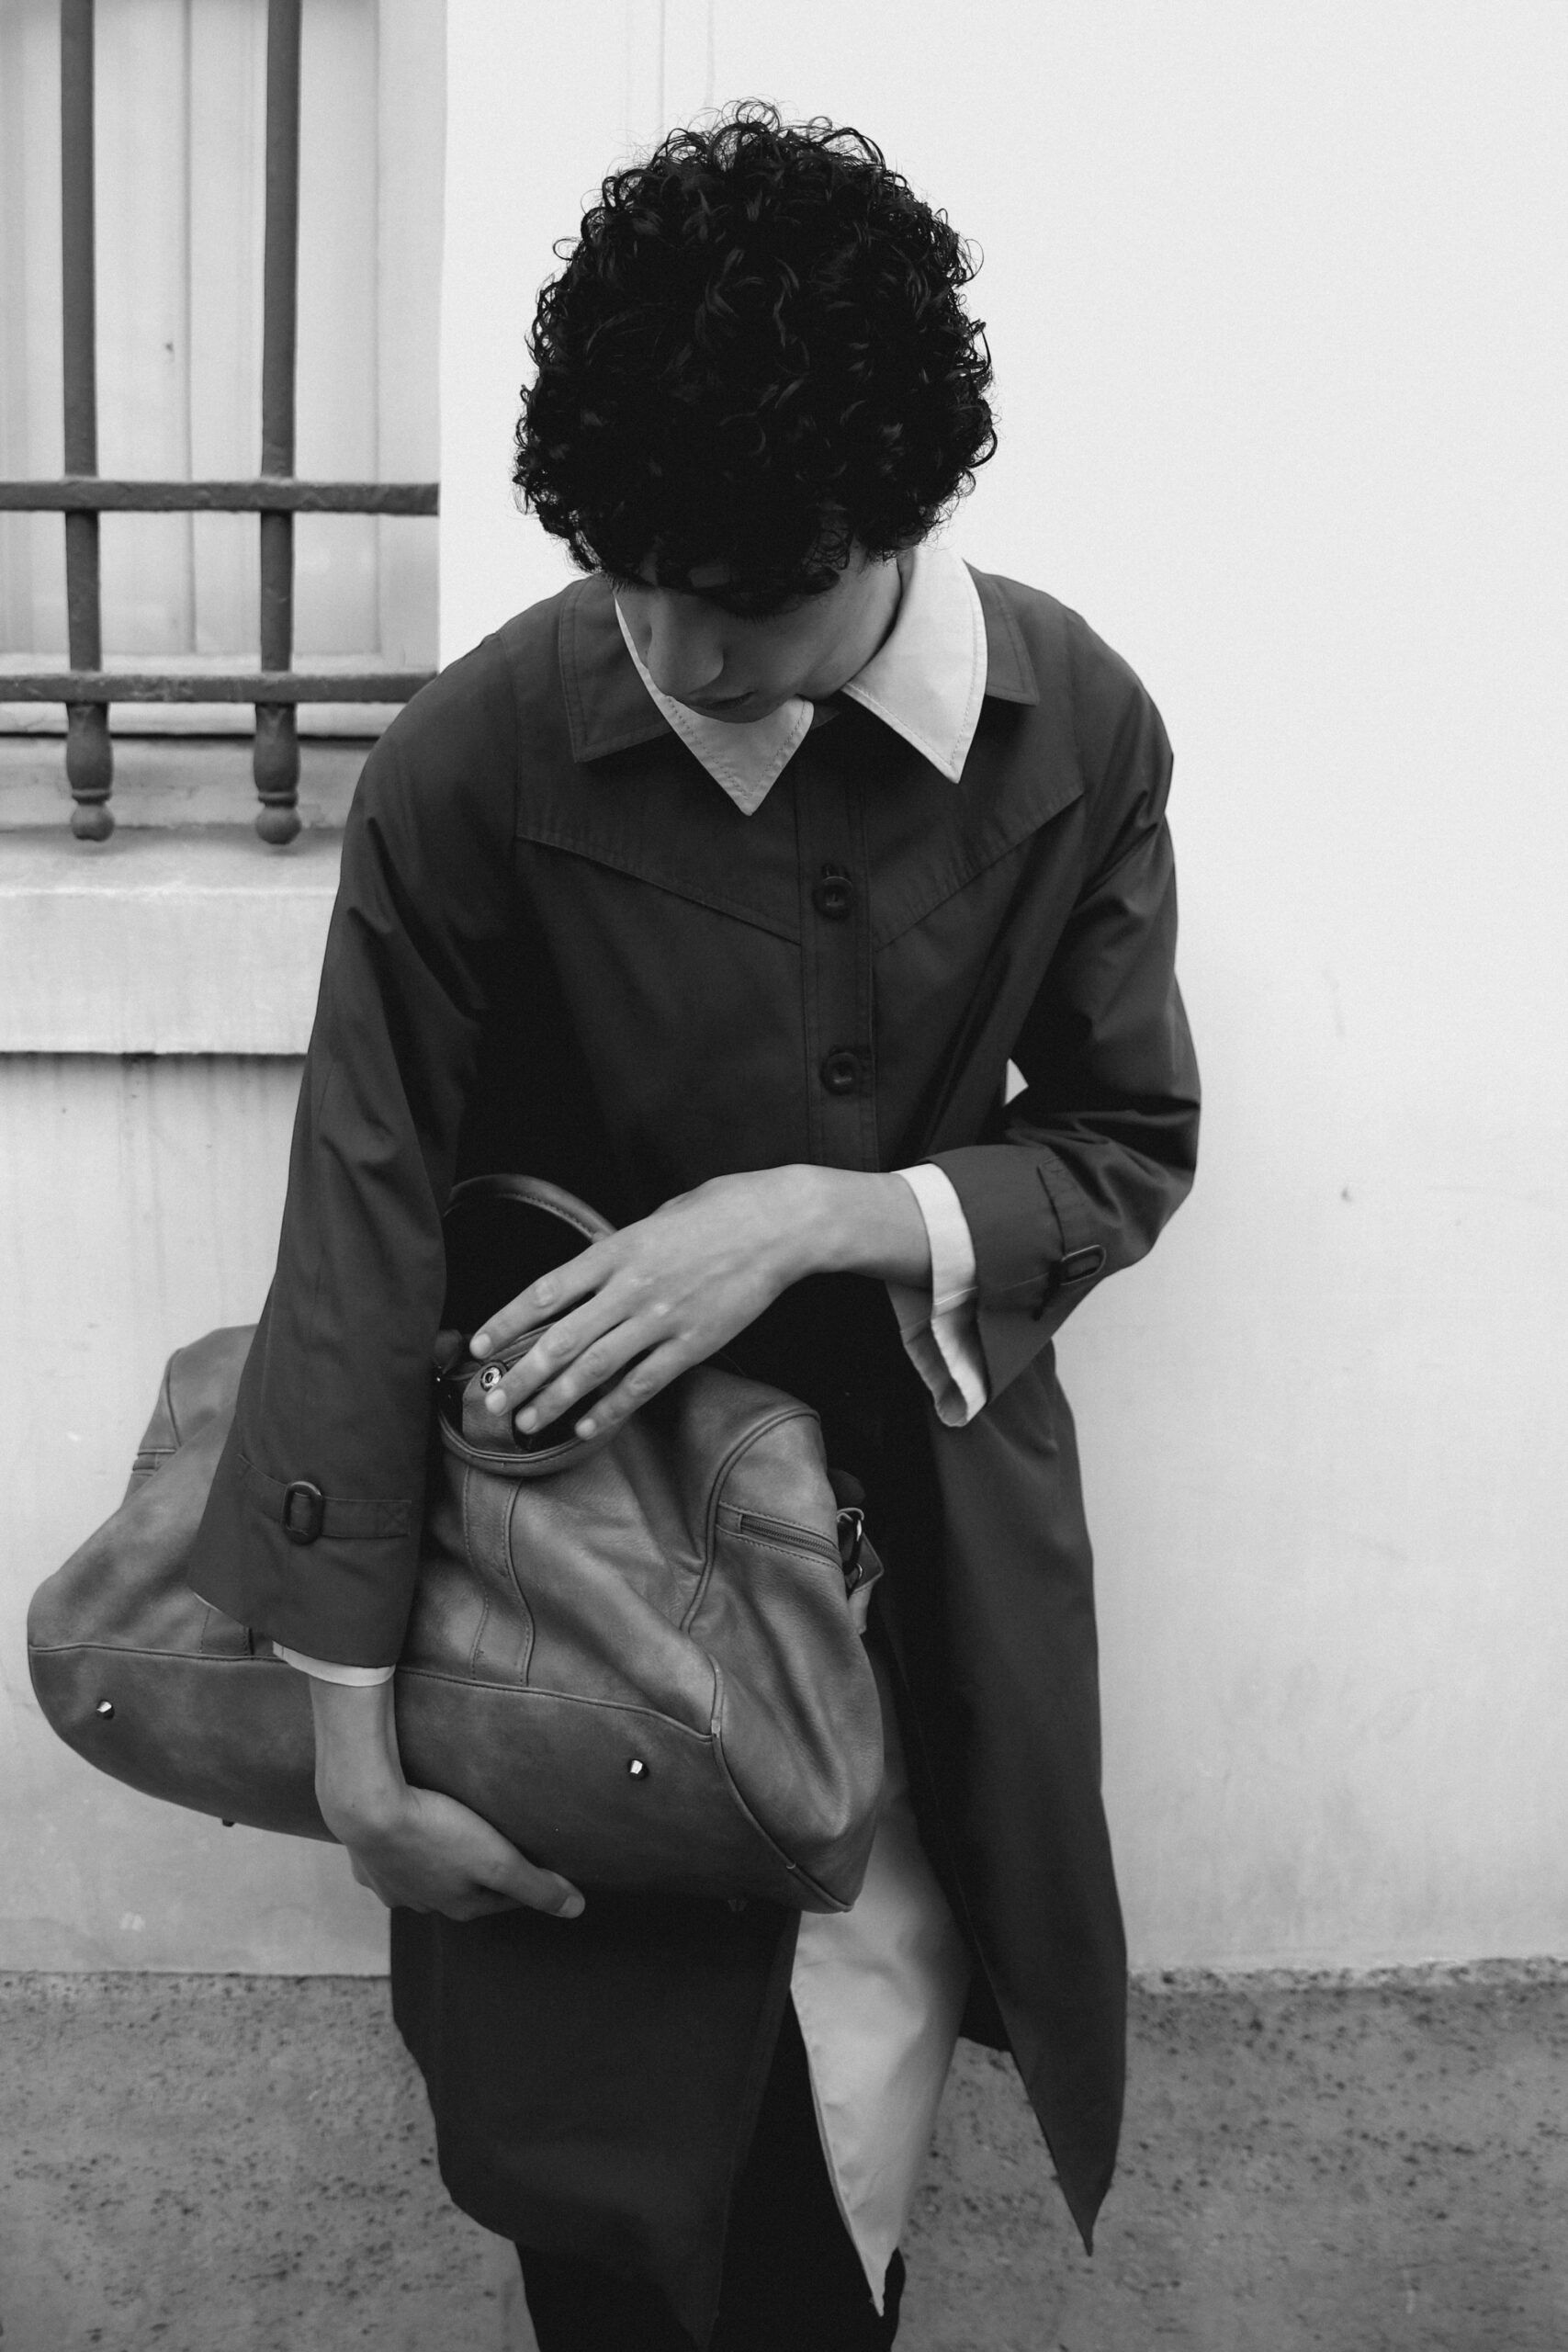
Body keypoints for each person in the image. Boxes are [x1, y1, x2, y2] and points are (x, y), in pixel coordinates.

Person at [190, 105, 1199, 2351]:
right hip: (557, 1593)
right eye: (621, 574)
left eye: (740, 599)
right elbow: (354, 1220)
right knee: (611, 2177)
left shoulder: (1075, 733)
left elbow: (1124, 1138)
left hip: (913, 1574)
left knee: (848, 2148)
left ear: (893, 517)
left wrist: (811, 1216)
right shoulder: (471, 763)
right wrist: (348, 1733)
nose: (671, 649)